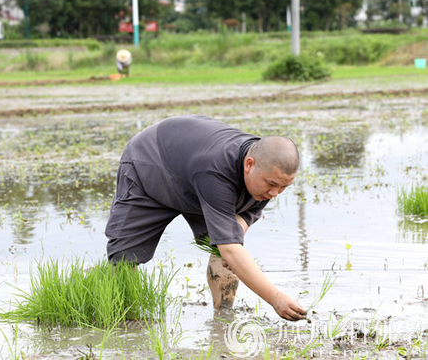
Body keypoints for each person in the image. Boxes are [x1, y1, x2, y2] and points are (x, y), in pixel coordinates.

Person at [104, 115, 307, 321]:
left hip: (195, 176)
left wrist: (231, 242)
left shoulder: (266, 173)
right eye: (272, 184)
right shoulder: (217, 168)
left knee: (226, 247)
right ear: (249, 164)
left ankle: (224, 317)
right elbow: (231, 248)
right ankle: (121, 319)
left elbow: (243, 218)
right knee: (124, 258)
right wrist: (276, 298)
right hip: (150, 163)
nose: (275, 193)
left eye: (284, 187)